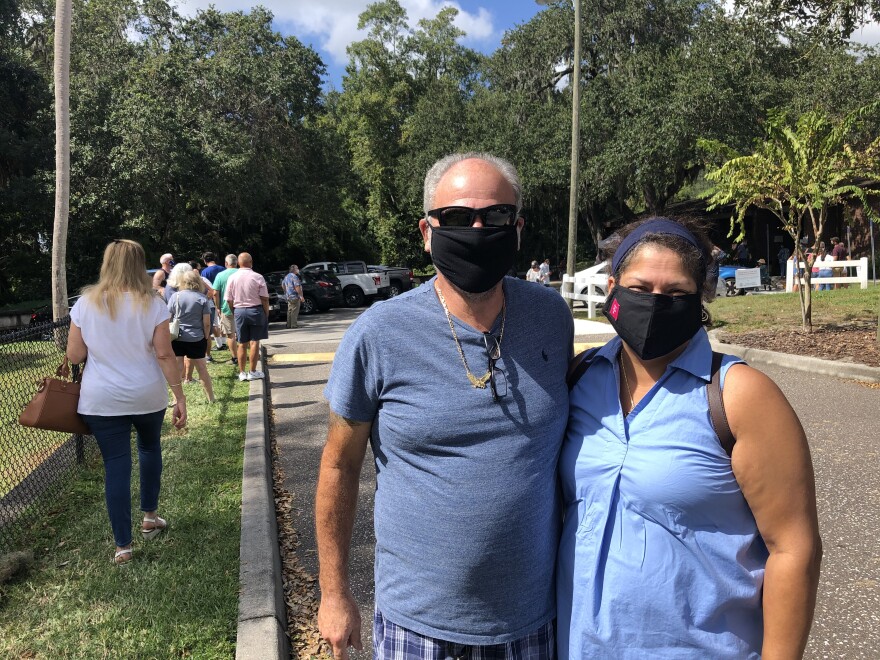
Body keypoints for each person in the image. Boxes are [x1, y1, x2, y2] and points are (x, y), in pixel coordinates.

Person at [316, 153, 573, 660]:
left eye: (496, 216)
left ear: (518, 228)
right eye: (457, 218)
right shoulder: (379, 334)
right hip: (419, 627)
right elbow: (338, 466)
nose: (478, 230)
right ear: (427, 231)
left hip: (531, 622)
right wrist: (334, 593)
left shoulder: (551, 318)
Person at [558, 217, 822, 658]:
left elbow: (794, 549)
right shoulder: (582, 378)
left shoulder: (738, 395)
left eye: (676, 294)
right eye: (640, 289)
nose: (656, 304)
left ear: (700, 299)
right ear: (612, 288)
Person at [65, 239, 187, 565]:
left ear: (107, 264)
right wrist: (179, 396)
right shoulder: (153, 304)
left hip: (101, 399)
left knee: (115, 465)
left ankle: (123, 546)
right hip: (147, 394)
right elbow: (164, 353)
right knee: (150, 449)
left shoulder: (85, 304)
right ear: (138, 265)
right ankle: (150, 516)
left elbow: (75, 355)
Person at [168, 270, 214, 402]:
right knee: (202, 369)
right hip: (197, 338)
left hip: (177, 338)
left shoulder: (175, 296)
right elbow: (206, 323)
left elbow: (168, 317)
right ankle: (210, 397)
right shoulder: (202, 298)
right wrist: (205, 336)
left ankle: (176, 399)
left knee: (177, 369)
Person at [224, 252, 269, 381]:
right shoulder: (258, 277)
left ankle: (242, 372)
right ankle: (253, 371)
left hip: (239, 310)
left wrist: (234, 311)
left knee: (241, 343)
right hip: (255, 310)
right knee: (255, 342)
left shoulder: (232, 277)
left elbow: (228, 299)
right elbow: (265, 298)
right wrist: (266, 313)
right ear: (251, 262)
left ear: (238, 263)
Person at [212, 254, 239, 367]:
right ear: (236, 263)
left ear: (226, 264)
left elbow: (215, 293)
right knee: (244, 333)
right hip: (243, 307)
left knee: (230, 334)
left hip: (226, 308)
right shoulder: (241, 273)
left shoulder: (220, 275)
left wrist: (217, 307)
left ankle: (235, 358)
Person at [282, 264, 305, 329]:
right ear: (294, 270)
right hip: (294, 296)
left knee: (289, 310)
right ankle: (294, 325)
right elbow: (297, 287)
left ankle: (289, 325)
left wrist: (286, 291)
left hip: (288, 296)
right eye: (297, 268)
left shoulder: (286, 277)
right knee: (294, 311)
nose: (298, 270)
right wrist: (301, 296)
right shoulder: (294, 277)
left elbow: (283, 285)